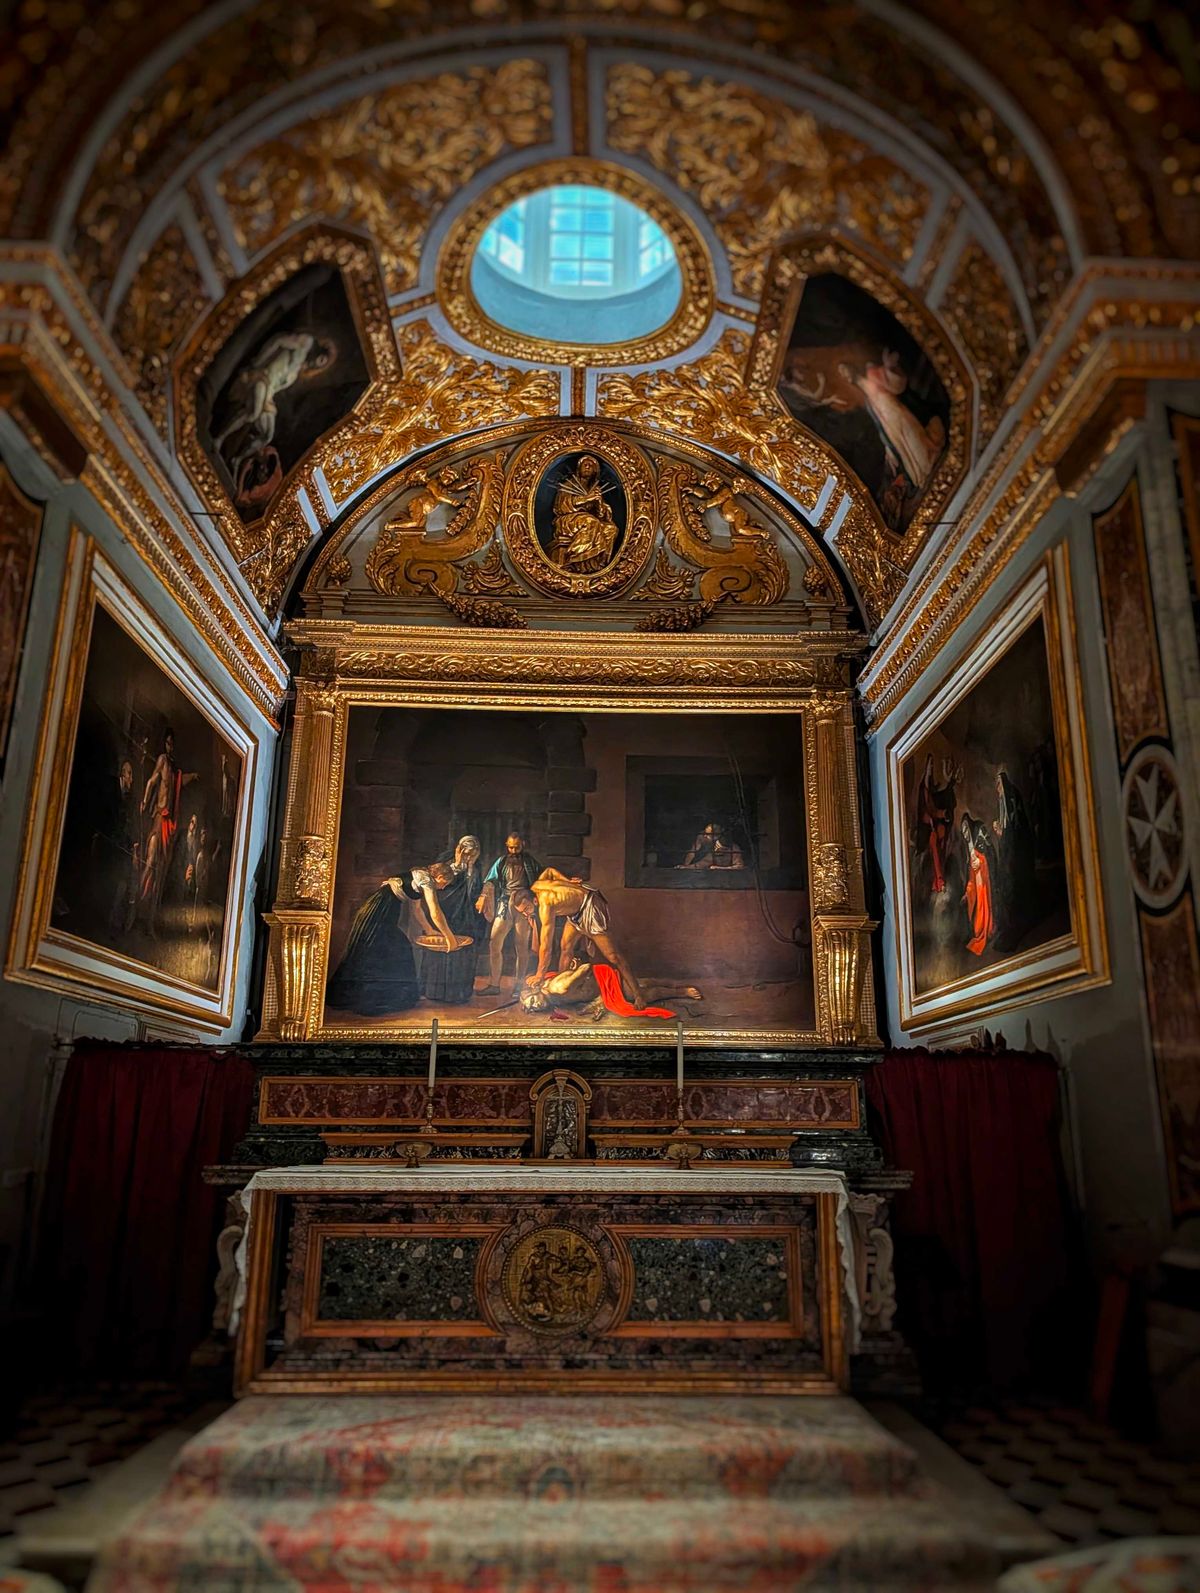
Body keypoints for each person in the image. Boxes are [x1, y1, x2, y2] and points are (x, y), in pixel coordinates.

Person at [326, 863, 458, 1016]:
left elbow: (417, 910)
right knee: (380, 952)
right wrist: (450, 937)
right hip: (378, 912)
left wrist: (429, 930)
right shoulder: (427, 880)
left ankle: (393, 996)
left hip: (381, 910)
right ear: (439, 876)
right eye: (444, 883)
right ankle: (374, 1000)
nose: (443, 888)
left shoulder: (419, 877)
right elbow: (435, 911)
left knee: (396, 949)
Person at [211, 330, 336, 487]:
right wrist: (259, 362)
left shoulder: (296, 371)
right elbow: (278, 341)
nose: (317, 364)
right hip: (262, 376)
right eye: (321, 360)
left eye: (321, 365)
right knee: (253, 414)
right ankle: (220, 438)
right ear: (320, 352)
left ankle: (237, 460)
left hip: (268, 392)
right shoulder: (306, 342)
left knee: (267, 435)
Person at [525, 868, 646, 1009]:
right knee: (565, 946)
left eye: (526, 909)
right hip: (576, 911)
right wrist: (567, 881)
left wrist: (539, 975)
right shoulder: (537, 885)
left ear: (534, 901)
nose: (526, 914)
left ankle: (638, 995)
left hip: (590, 905)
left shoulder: (545, 905)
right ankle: (562, 983)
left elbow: (546, 946)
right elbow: (549, 871)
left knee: (613, 956)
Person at [837, 349, 945, 490]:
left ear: (852, 368)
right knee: (903, 447)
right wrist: (888, 447)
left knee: (913, 436)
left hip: (897, 413)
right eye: (842, 374)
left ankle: (927, 461)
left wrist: (890, 368)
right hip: (888, 425)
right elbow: (878, 422)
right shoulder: (866, 399)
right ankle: (920, 473)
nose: (845, 376)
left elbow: (896, 384)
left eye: (845, 371)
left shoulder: (871, 373)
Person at [139, 728, 198, 935]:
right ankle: (138, 905)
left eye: (172, 744)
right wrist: (145, 800)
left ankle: (150, 917)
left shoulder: (174, 770)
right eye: (168, 743)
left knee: (161, 871)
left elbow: (180, 781)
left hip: (169, 824)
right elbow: (151, 781)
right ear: (164, 743)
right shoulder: (162, 761)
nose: (170, 747)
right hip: (159, 818)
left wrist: (194, 776)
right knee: (150, 862)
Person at [521, 954, 699, 1020]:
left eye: (533, 1001)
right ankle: (677, 986)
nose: (536, 1006)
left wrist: (576, 971)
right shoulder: (551, 995)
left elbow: (586, 967)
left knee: (644, 992)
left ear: (536, 991)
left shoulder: (559, 988)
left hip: (604, 982)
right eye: (532, 1007)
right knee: (643, 982)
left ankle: (681, 991)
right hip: (597, 989)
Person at [418, 835, 486, 1004]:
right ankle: (433, 991)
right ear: (460, 849)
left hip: (464, 914)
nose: (468, 857)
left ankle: (458, 993)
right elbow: (438, 882)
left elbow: (474, 889)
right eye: (466, 853)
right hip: (444, 910)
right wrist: (457, 864)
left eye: (472, 854)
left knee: (461, 951)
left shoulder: (476, 865)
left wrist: (470, 867)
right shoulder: (445, 858)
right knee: (439, 950)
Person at [477, 832, 541, 994]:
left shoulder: (530, 862)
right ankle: (494, 984)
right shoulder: (501, 862)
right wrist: (484, 896)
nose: (513, 851)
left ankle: (519, 985)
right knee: (494, 942)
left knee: (521, 946)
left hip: (523, 906)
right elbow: (490, 880)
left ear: (523, 845)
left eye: (516, 847)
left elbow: (543, 879)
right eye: (510, 847)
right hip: (505, 904)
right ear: (507, 846)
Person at [548, 455, 618, 573]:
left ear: (595, 471)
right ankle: (574, 558)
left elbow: (602, 515)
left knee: (611, 529)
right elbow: (562, 506)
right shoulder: (569, 484)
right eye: (585, 465)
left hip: (587, 519)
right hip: (567, 519)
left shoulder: (594, 489)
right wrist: (586, 498)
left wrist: (599, 502)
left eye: (591, 466)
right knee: (591, 521)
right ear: (579, 468)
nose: (587, 467)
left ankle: (596, 565)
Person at [961, 815, 996, 957]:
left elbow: (990, 854)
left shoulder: (980, 830)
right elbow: (969, 870)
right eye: (962, 830)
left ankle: (985, 931)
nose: (965, 833)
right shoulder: (967, 845)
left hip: (984, 881)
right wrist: (967, 891)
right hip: (975, 884)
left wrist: (981, 862)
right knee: (974, 914)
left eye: (966, 829)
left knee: (983, 910)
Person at [677, 821, 745, 870]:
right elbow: (701, 862)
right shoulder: (702, 838)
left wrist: (719, 868)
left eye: (708, 834)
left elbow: (740, 866)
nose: (705, 835)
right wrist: (686, 866)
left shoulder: (734, 849)